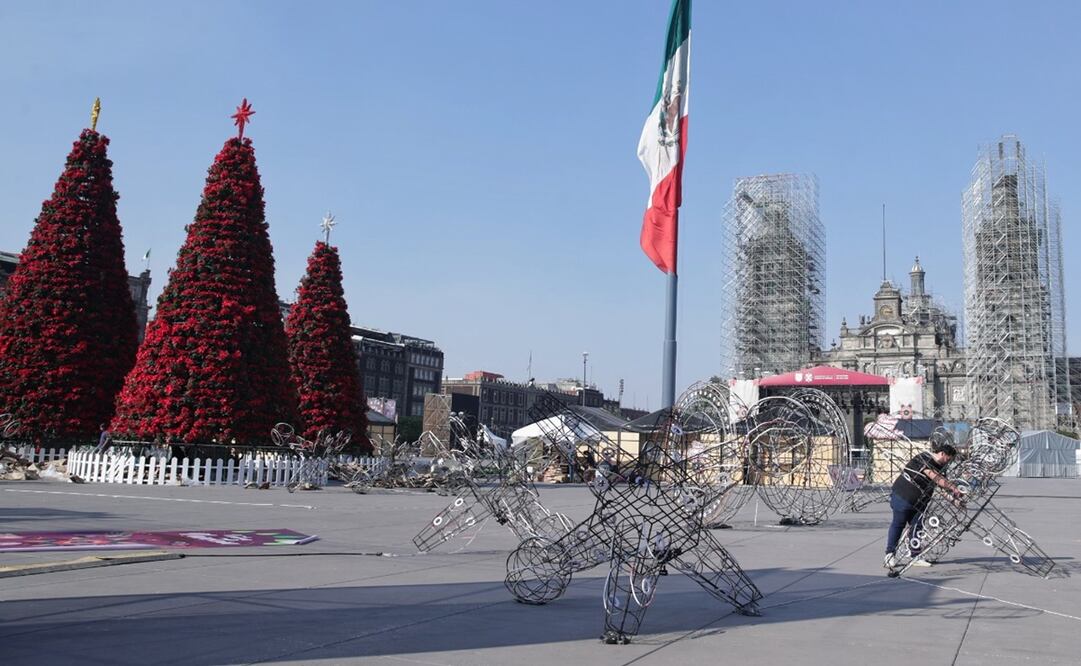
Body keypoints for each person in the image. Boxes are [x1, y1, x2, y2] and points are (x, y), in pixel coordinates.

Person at [884, 438, 965, 572]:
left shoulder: (940, 468)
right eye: (949, 459)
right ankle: (889, 554)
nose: (948, 463)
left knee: (917, 527)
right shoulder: (924, 457)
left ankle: (914, 555)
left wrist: (954, 501)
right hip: (902, 496)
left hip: (920, 502)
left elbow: (939, 487)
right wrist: (954, 488)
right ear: (943, 454)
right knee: (898, 524)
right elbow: (935, 477)